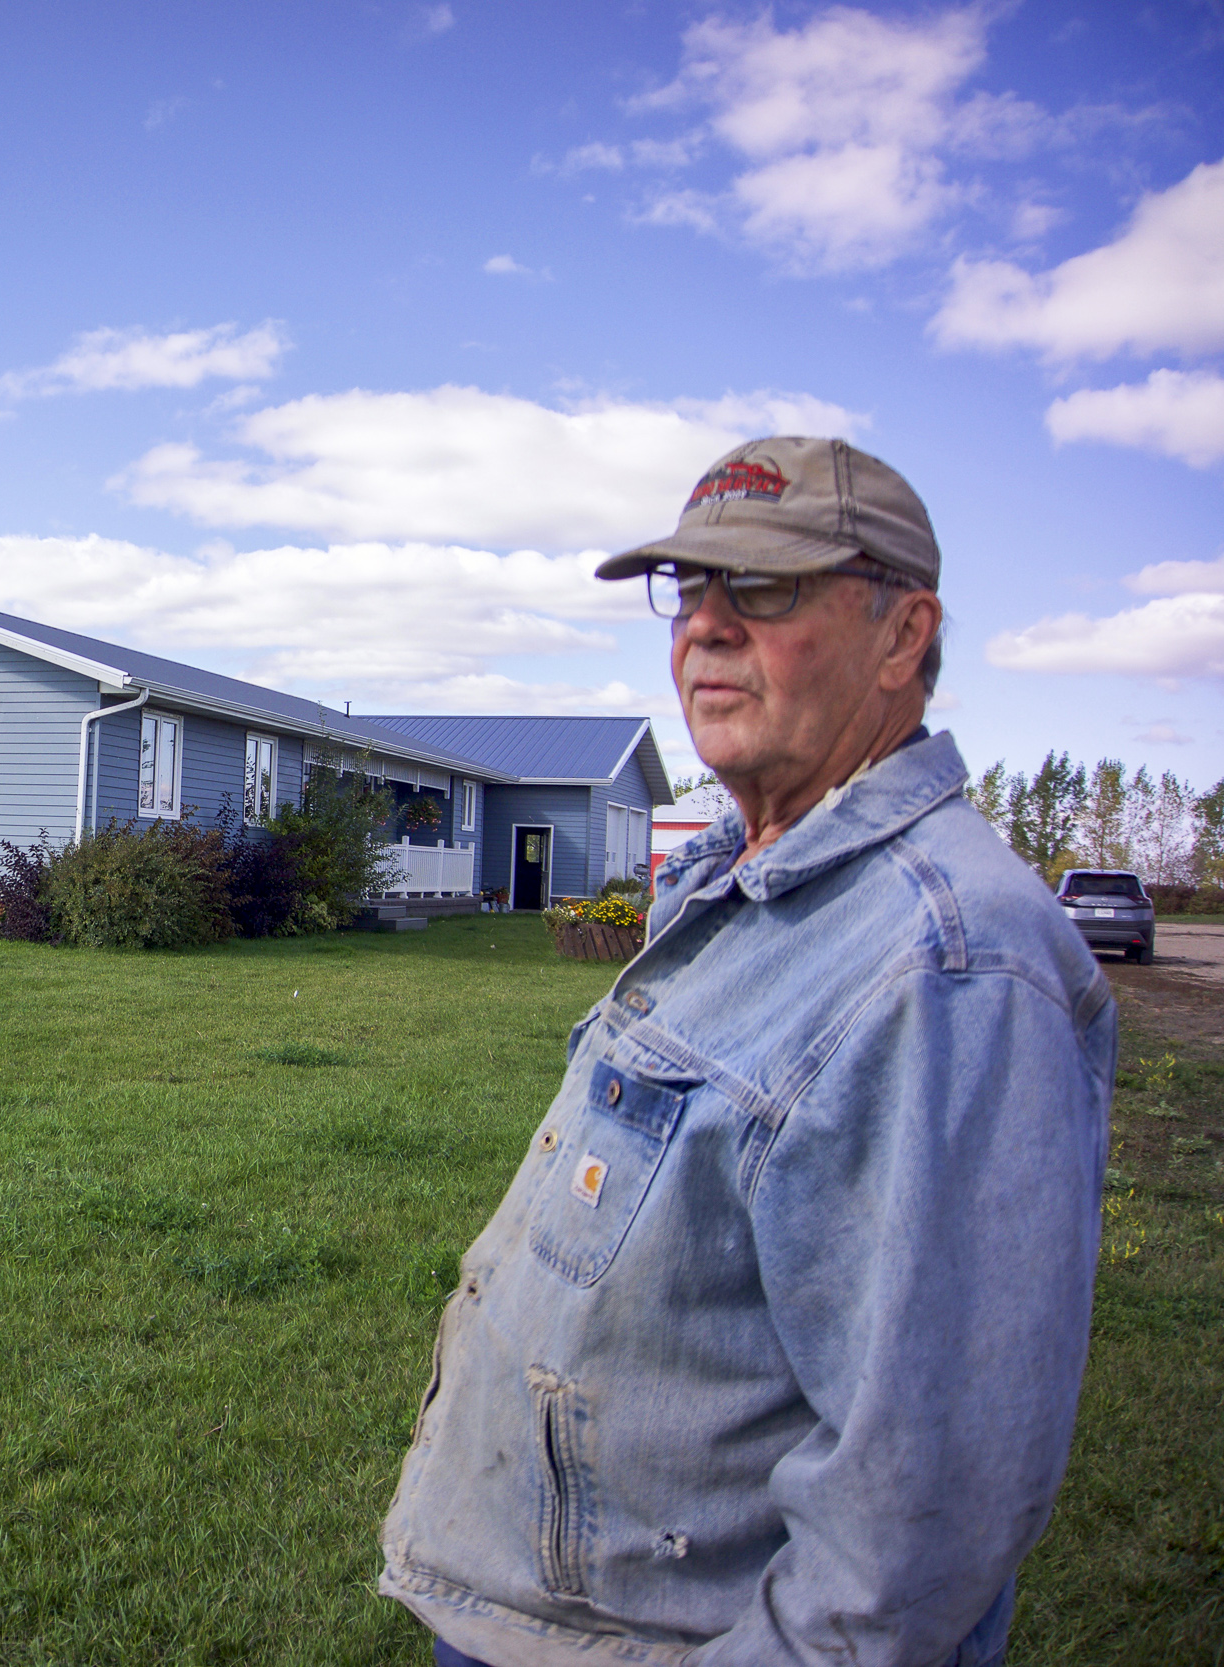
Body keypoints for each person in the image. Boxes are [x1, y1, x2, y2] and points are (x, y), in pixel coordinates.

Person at [380, 438, 1115, 1667]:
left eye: (763, 588)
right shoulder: (744, 880)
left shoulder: (947, 964)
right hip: (543, 1616)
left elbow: (914, 1526)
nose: (705, 627)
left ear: (901, 634)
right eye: (690, 587)